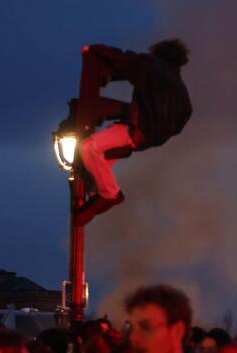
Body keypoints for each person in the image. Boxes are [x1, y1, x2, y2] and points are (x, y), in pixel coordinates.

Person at [74, 39, 193, 225]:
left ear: (158, 52)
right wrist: (163, 130)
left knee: (88, 148)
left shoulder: (152, 66)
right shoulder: (180, 87)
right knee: (103, 157)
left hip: (136, 130)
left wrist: (96, 50)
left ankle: (109, 194)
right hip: (150, 138)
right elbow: (186, 114)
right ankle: (95, 190)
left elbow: (126, 60)